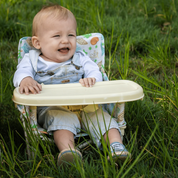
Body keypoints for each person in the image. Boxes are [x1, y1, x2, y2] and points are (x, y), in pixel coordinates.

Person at [13, 4, 130, 166]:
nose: (65, 40)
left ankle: (116, 146)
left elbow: (95, 71)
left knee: (104, 119)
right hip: (53, 106)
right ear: (37, 43)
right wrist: (26, 79)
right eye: (57, 36)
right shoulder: (32, 60)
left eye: (71, 35)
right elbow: (21, 73)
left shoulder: (80, 57)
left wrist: (92, 79)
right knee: (61, 122)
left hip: (86, 105)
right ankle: (68, 151)